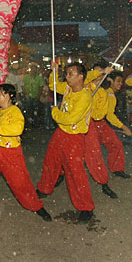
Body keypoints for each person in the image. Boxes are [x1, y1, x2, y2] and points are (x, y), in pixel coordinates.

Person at [0, 84, 52, 222]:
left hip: (10, 153)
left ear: (8, 96)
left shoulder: (15, 112)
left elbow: (16, 129)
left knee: (21, 183)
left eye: (0, 94)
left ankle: (36, 206)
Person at [37, 61, 96, 221]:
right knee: (50, 162)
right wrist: (54, 71)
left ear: (81, 77)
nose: (67, 77)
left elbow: (71, 119)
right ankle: (44, 188)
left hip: (74, 137)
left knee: (75, 172)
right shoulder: (69, 88)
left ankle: (86, 207)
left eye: (71, 74)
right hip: (60, 133)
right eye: (67, 73)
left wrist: (55, 112)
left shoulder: (85, 96)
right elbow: (53, 85)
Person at [82, 68, 123, 199]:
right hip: (78, 123)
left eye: (102, 75)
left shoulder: (102, 93)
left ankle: (103, 182)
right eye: (98, 73)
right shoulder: (83, 87)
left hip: (94, 123)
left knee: (95, 153)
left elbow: (102, 114)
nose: (99, 77)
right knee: (69, 154)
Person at [22, 63, 45, 128]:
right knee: (28, 110)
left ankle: (35, 124)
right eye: (32, 69)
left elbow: (41, 87)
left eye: (35, 69)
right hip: (28, 96)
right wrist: (25, 94)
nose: (33, 71)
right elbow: (23, 86)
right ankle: (28, 123)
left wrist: (38, 96)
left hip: (35, 97)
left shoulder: (39, 78)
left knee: (35, 110)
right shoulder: (26, 77)